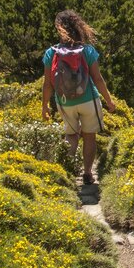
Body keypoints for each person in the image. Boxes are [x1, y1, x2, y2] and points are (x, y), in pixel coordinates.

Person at [42, 10, 116, 185]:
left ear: (59, 29)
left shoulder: (50, 53)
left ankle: (66, 172)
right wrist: (108, 100)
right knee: (89, 136)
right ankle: (88, 173)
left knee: (71, 135)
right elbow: (97, 79)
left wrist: (45, 106)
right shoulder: (87, 50)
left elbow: (47, 84)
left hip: (65, 102)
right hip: (89, 100)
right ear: (78, 26)